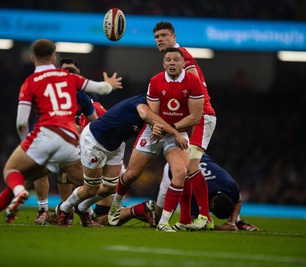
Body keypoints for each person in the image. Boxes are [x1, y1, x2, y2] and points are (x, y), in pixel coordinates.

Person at [0, 38, 122, 228]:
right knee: (89, 185)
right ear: (54, 57)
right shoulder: (70, 78)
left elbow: (21, 123)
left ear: (32, 57)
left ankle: (21, 193)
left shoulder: (30, 82)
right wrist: (109, 84)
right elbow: (101, 88)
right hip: (69, 141)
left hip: (45, 136)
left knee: (13, 172)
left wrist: (27, 144)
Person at [108, 47, 205, 232]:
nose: (172, 63)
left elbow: (195, 117)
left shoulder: (193, 82)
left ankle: (163, 223)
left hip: (176, 132)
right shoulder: (155, 81)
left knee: (180, 173)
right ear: (163, 63)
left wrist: (173, 130)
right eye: (168, 60)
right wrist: (159, 126)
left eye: (176, 59)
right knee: (130, 175)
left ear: (183, 63)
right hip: (153, 131)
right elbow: (152, 114)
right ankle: (115, 206)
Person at [56, 93, 188, 227]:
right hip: (94, 140)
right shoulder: (142, 102)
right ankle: (64, 209)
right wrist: (175, 132)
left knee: (111, 187)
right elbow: (145, 115)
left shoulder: (159, 116)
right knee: (91, 189)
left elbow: (154, 125)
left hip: (116, 145)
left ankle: (82, 208)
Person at [153, 21, 217, 229]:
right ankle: (185, 219)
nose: (160, 39)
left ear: (173, 37)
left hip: (201, 116)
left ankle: (205, 217)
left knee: (190, 167)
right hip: (191, 120)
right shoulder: (175, 59)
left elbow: (193, 85)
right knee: (182, 169)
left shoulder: (182, 56)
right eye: (157, 37)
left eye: (164, 35)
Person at [33, 57, 100, 225]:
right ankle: (44, 210)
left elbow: (95, 121)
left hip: (74, 143)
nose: (69, 75)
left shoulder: (85, 95)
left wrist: (83, 134)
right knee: (40, 171)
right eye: (65, 71)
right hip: (49, 138)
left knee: (85, 182)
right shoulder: (49, 91)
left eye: (73, 72)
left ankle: (80, 210)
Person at [157, 153, 259, 231]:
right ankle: (148, 210)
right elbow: (191, 222)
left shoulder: (230, 185)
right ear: (211, 205)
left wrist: (231, 222)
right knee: (158, 217)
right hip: (174, 167)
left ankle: (236, 221)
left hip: (197, 156)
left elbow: (237, 200)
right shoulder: (196, 196)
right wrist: (219, 228)